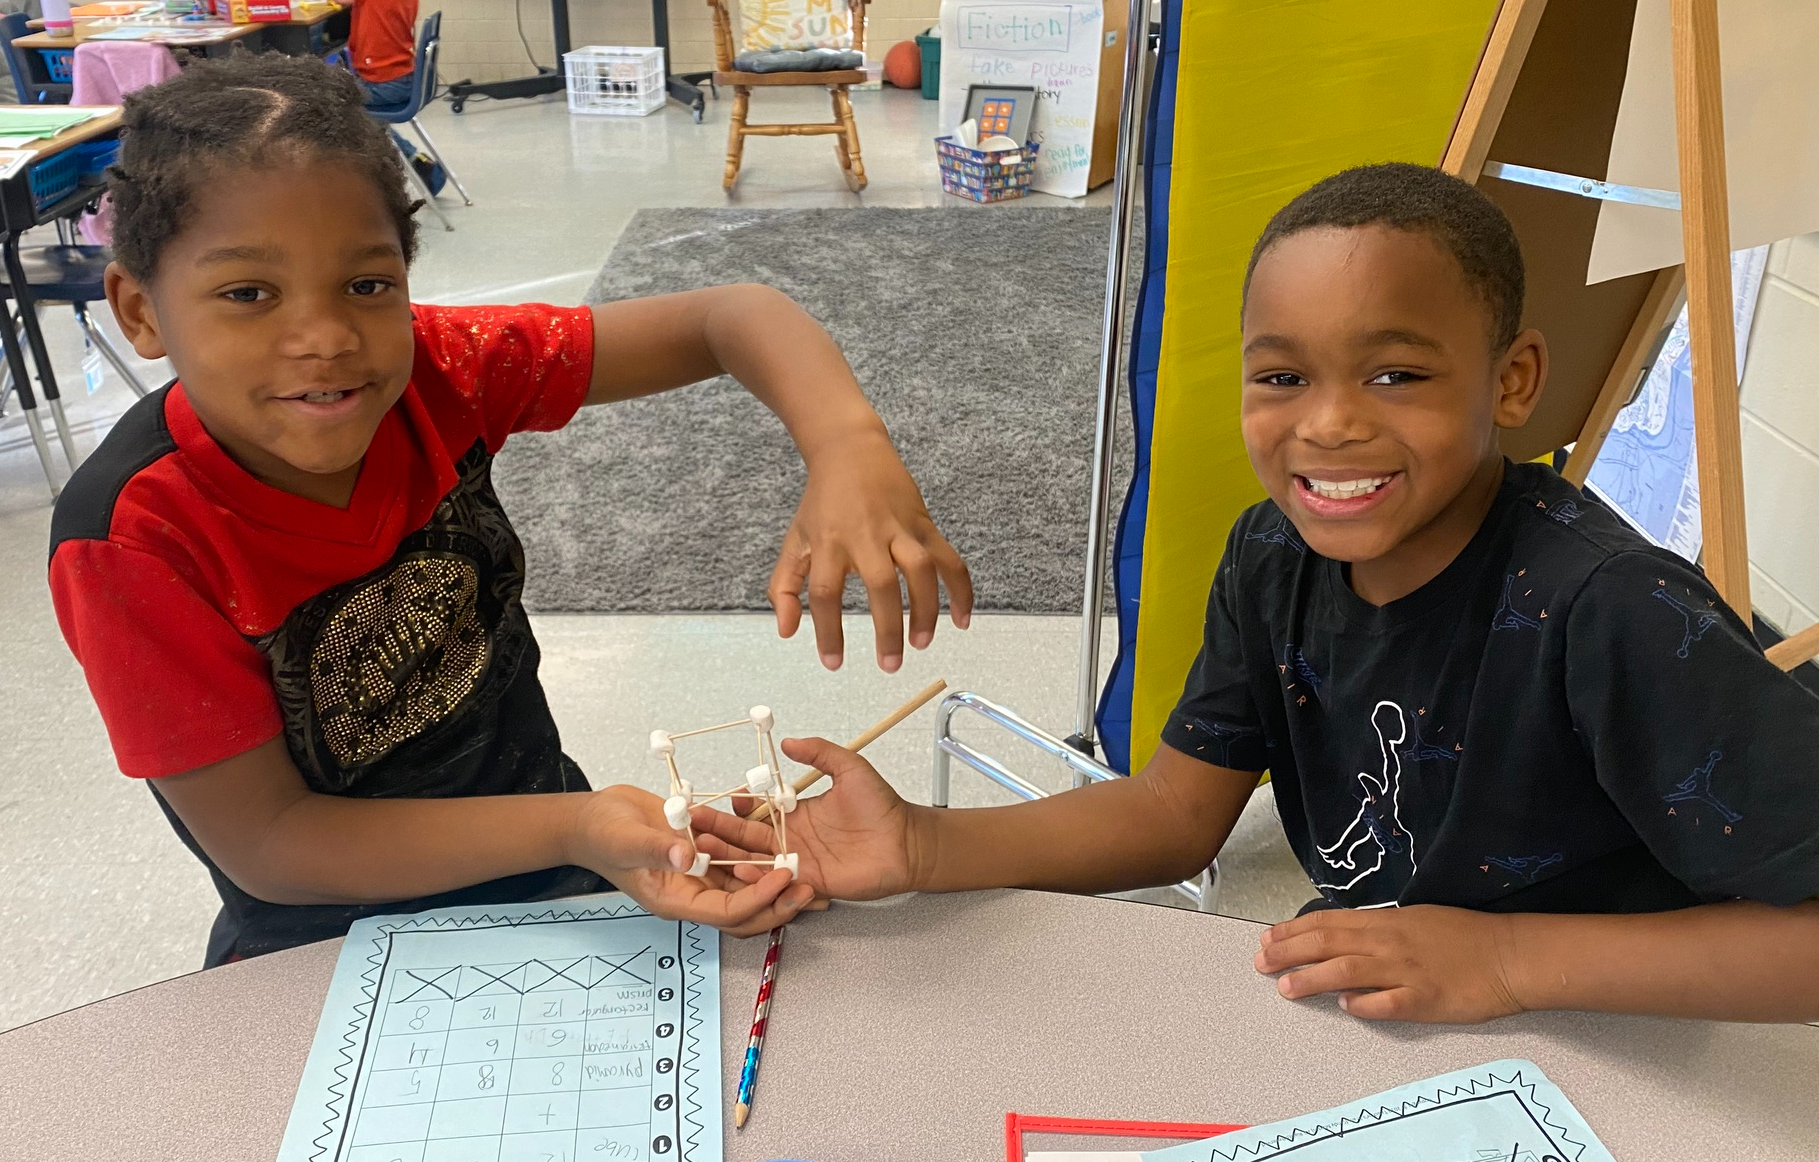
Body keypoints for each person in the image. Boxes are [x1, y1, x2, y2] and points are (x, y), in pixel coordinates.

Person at [695, 162, 1819, 1025]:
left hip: (1605, 1033)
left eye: (1397, 374)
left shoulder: (1616, 611)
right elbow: (1170, 818)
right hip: (1384, 1012)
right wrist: (924, 846)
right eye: (1281, 376)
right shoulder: (1269, 557)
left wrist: (1509, 959)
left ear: (1512, 379)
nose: (1326, 424)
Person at [50, 54, 972, 966]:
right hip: (327, 938)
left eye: (367, 285)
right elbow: (271, 844)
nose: (325, 338)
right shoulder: (133, 542)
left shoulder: (440, 368)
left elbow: (732, 316)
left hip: (553, 859)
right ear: (140, 310)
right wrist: (574, 828)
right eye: (247, 294)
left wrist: (849, 445)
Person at [339, 0, 444, 194]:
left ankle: (352, 184)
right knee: (363, 113)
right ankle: (417, 163)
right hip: (403, 76)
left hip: (384, 82)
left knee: (338, 104)